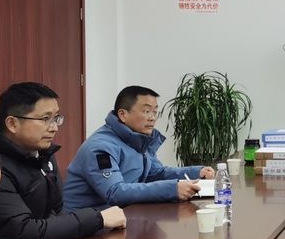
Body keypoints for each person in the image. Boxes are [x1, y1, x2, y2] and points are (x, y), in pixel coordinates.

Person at [0, 82, 126, 239]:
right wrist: (97, 219)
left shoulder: (42, 153)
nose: (54, 128)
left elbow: (55, 210)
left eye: (56, 118)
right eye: (45, 119)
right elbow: (21, 232)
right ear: (12, 124)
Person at [63, 86, 215, 210]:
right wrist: (173, 189)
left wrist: (197, 172)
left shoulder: (138, 139)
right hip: (89, 226)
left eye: (155, 112)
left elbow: (155, 173)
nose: (152, 117)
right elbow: (114, 192)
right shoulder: (100, 148)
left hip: (122, 215)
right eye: (146, 111)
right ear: (123, 115)